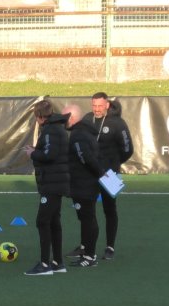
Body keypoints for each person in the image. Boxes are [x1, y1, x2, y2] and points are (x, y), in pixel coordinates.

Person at [81, 92, 134, 260]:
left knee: (110, 209)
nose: (96, 109)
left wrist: (114, 164)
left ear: (107, 105)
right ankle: (85, 246)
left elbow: (128, 149)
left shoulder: (118, 123)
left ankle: (110, 247)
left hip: (111, 174)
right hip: (90, 173)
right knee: (86, 210)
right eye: (94, 106)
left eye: (100, 106)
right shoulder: (87, 119)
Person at [23, 99, 70, 276]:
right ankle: (58, 262)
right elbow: (53, 152)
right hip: (56, 181)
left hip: (52, 183)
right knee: (54, 221)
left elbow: (49, 155)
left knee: (42, 221)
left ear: (40, 116)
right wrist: (36, 149)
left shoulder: (51, 130)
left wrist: (33, 153)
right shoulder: (57, 128)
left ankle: (45, 264)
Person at [63, 104, 102, 268]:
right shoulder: (86, 131)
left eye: (65, 118)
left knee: (88, 219)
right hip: (87, 183)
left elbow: (85, 158)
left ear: (72, 118)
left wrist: (102, 174)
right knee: (86, 218)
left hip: (83, 184)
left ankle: (90, 256)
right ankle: (86, 250)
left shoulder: (78, 135)